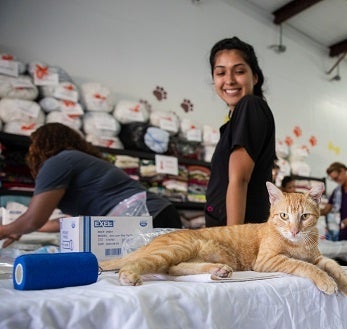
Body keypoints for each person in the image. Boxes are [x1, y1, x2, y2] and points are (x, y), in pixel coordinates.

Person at [0, 123, 181, 248]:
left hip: (148, 217)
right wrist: (20, 229)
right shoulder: (78, 161)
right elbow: (65, 221)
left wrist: (6, 229)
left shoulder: (58, 162)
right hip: (157, 214)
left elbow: (33, 218)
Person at [204, 37, 276, 227]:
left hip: (239, 239)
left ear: (255, 77)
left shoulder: (250, 106)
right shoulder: (234, 122)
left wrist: (233, 243)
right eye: (220, 72)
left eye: (239, 71)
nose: (229, 80)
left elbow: (239, 179)